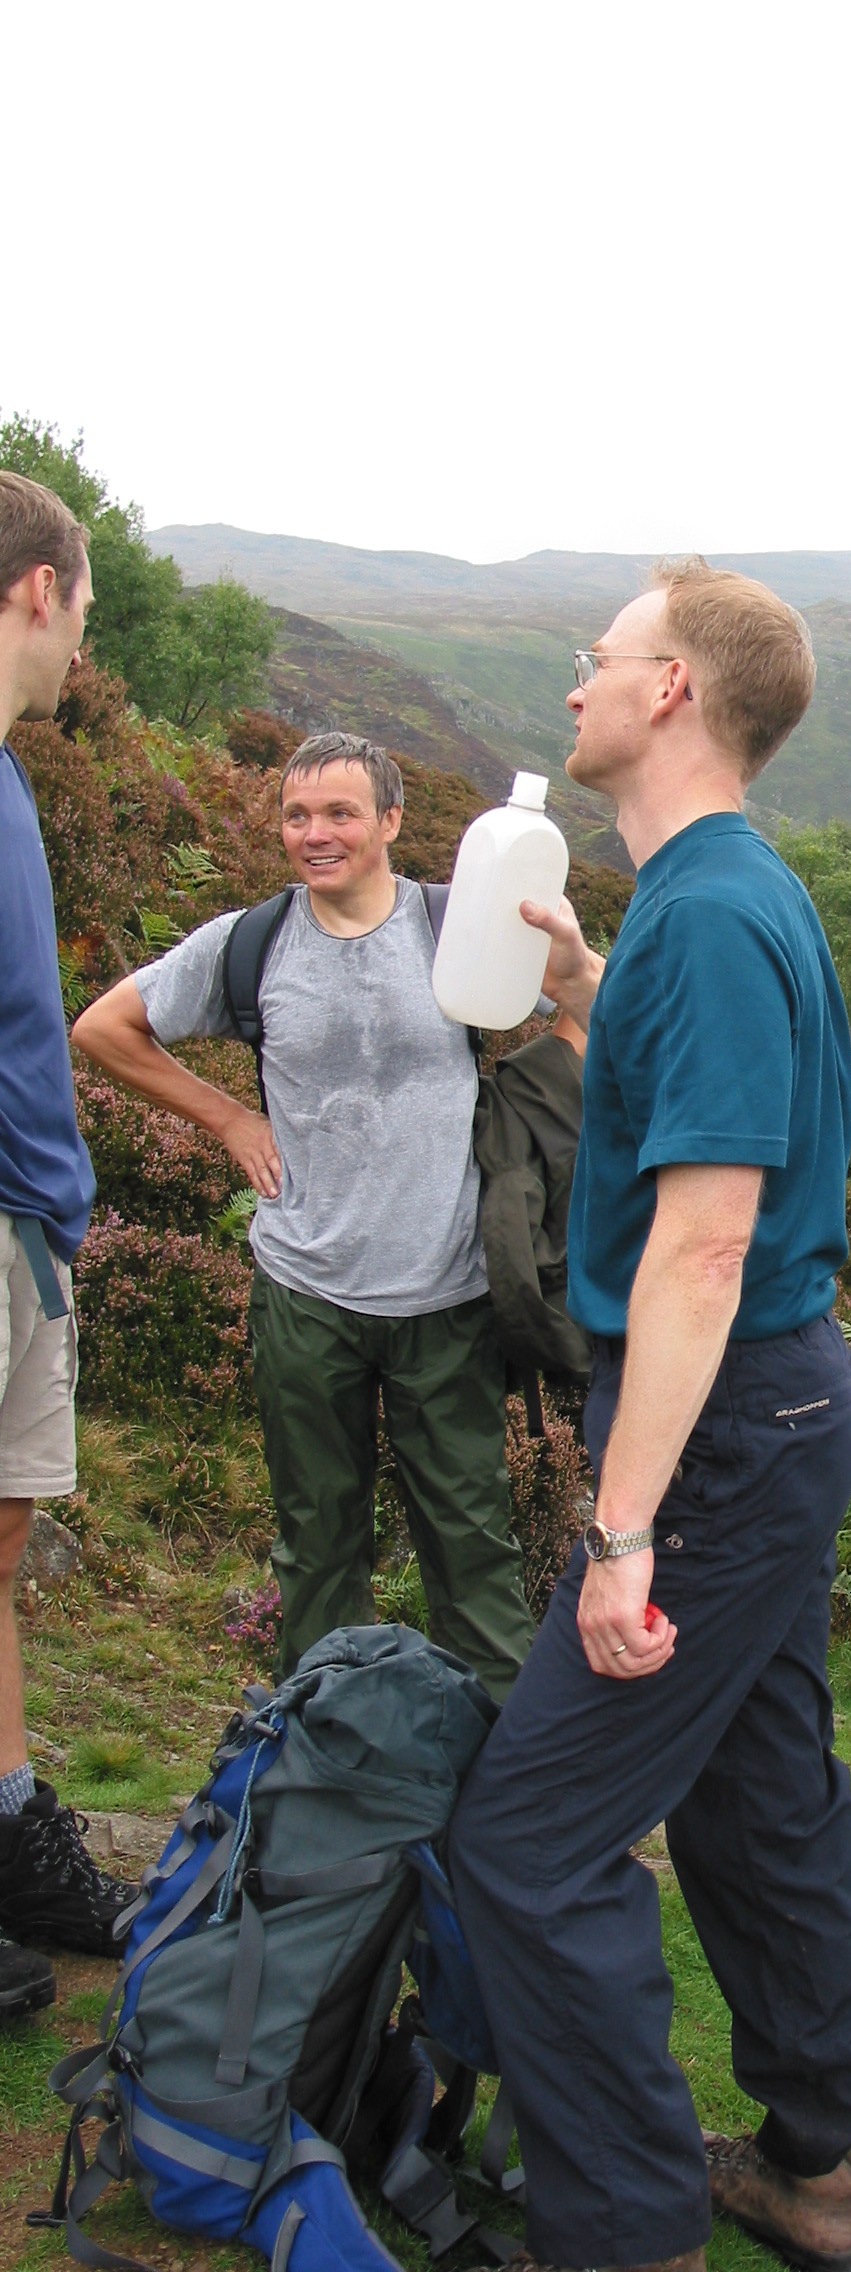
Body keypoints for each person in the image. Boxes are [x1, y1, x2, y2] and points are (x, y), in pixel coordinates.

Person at [449, 559, 851, 2272]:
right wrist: (586, 983)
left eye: (602, 657)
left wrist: (621, 1528)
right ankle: (826, 2158)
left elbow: (706, 1243)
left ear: (672, 693)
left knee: (530, 1841)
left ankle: (629, 2229)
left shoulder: (707, 918)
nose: (577, 684)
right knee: (755, 1790)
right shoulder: (710, 893)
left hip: (721, 1426)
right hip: (778, 1402)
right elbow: (680, 1107)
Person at [72, 735, 535, 1700]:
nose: (315, 835)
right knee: (318, 1553)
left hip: (447, 1300)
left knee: (473, 1558)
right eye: (296, 816)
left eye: (340, 814)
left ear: (391, 822)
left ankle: (506, 1774)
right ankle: (324, 1751)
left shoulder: (457, 927)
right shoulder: (250, 944)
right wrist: (228, 1117)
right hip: (305, 1297)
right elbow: (105, 1028)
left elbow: (588, 998)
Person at [0, 472, 133, 2005]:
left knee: (3, 1539)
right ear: (42, 588)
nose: (82, 641)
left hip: (28, 1230)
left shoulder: (12, 781)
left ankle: (12, 1833)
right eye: (85, 605)